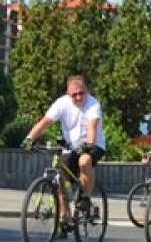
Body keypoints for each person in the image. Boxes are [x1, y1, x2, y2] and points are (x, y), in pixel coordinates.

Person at [22, 75, 106, 213]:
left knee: (84, 161)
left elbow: (92, 126)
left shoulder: (93, 104)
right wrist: (29, 139)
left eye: (81, 93)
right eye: (74, 95)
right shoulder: (62, 103)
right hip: (71, 147)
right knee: (61, 181)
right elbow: (44, 122)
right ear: (68, 94)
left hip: (94, 144)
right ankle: (64, 218)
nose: (78, 97)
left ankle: (86, 197)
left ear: (86, 90)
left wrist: (88, 146)